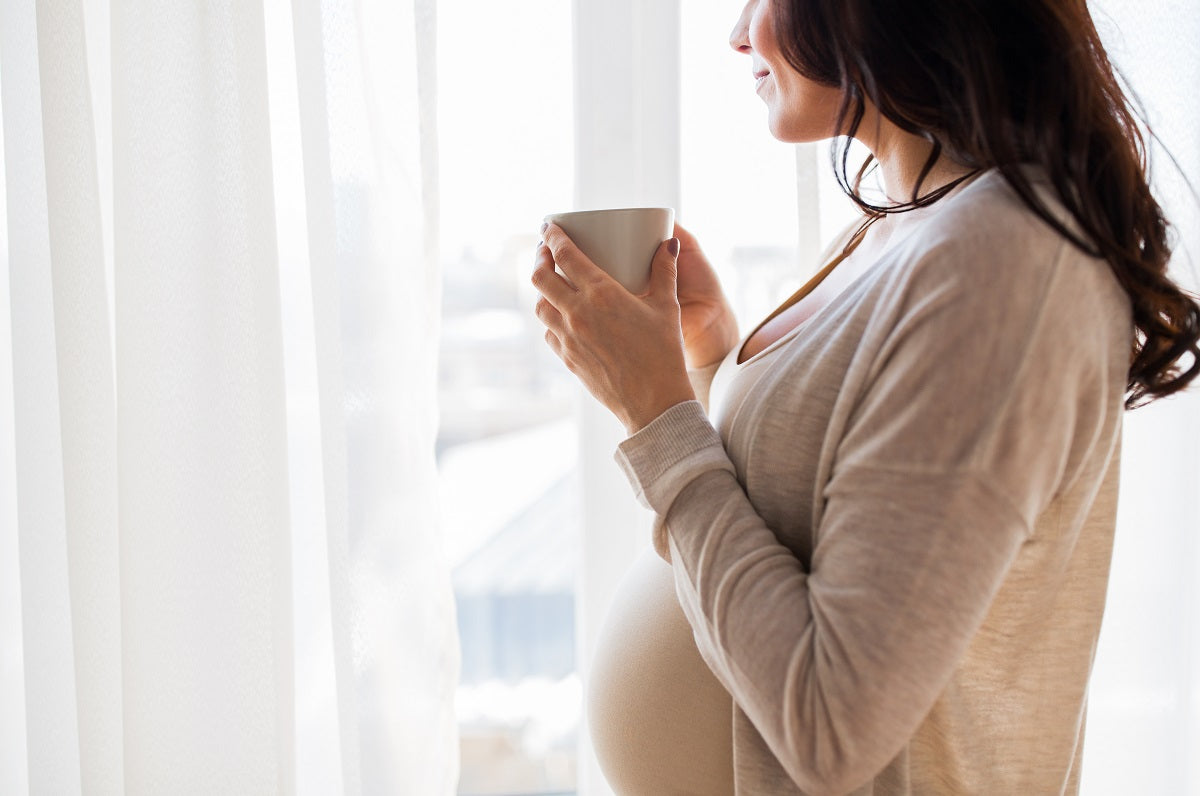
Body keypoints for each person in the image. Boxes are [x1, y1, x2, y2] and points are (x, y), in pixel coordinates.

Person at [531, 0, 1200, 793]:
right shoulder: (909, 218)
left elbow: (833, 728)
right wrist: (708, 359)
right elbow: (817, 519)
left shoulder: (1004, 261)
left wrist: (657, 419)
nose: (738, 33)